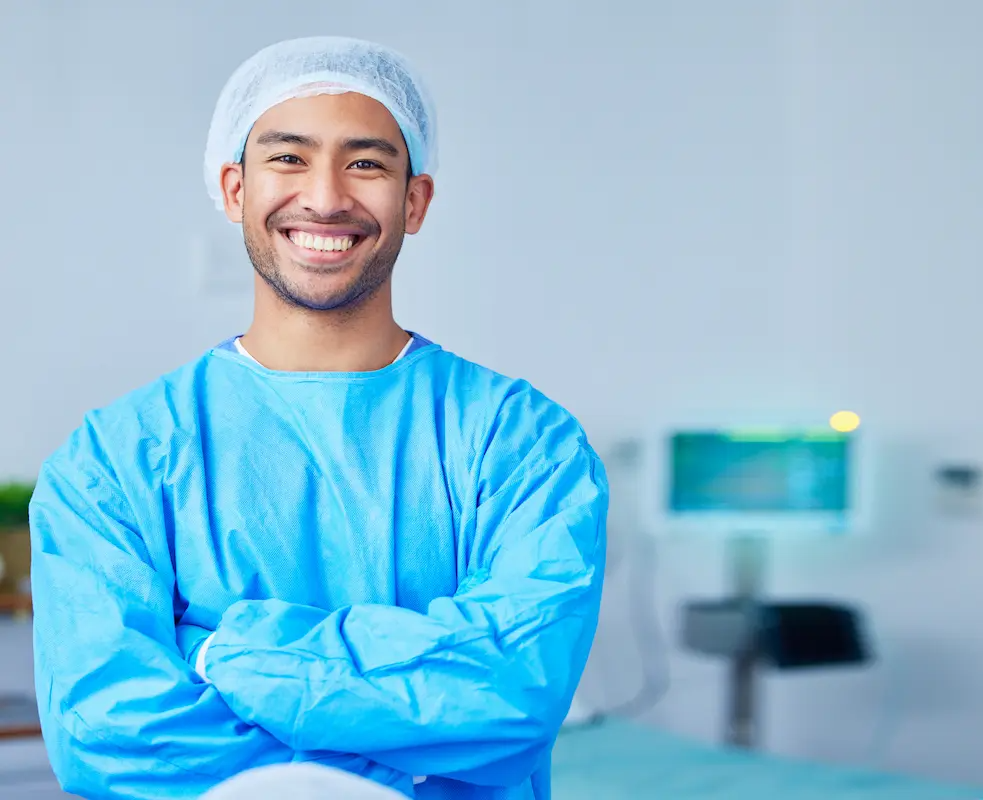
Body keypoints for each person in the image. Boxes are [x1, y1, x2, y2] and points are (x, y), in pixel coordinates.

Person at [29, 36, 607, 800]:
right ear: (235, 190)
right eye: (289, 158)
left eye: (365, 162)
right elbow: (106, 737)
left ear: (415, 200)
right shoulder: (113, 460)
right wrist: (404, 746)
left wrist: (220, 652)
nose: (327, 197)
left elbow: (510, 696)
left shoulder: (524, 443)